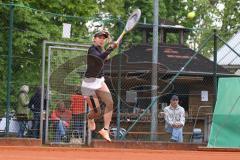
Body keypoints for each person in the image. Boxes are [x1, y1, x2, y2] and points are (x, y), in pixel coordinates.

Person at [81, 30, 118, 142]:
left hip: (99, 81)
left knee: (110, 103)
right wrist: (111, 47)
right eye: (100, 37)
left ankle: (105, 130)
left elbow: (105, 57)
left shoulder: (101, 50)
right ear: (94, 39)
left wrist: (111, 44)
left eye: (104, 38)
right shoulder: (92, 50)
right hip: (89, 85)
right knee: (97, 112)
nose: (102, 39)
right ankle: (89, 118)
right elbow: (100, 58)